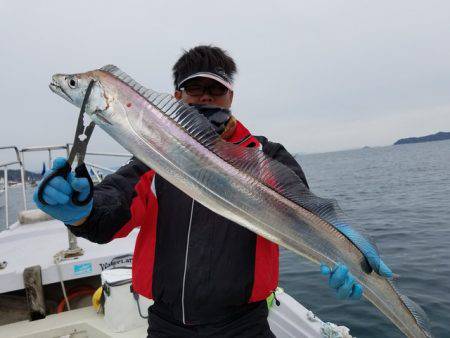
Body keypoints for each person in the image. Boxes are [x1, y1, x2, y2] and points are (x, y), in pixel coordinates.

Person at [34, 45, 391, 337]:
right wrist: (80, 209)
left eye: (215, 89)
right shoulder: (151, 158)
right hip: (167, 326)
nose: (205, 98)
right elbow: (109, 213)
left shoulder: (267, 157)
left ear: (230, 95)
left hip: (245, 327)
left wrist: (343, 248)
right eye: (195, 89)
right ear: (177, 95)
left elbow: (302, 212)